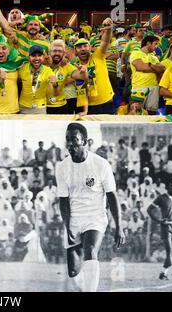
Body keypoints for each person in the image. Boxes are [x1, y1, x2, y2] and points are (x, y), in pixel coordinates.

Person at [56, 123, 125, 292]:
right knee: (73, 271)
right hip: (74, 218)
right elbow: (63, 200)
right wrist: (67, 226)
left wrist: (119, 227)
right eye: (67, 140)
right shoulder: (62, 167)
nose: (70, 144)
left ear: (85, 141)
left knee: (91, 250)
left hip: (95, 217)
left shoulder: (101, 164)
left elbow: (112, 196)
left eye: (74, 140)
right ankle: (83, 286)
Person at [72, 18, 115, 115]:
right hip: (89, 106)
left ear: (90, 48)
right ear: (75, 51)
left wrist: (108, 29)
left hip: (106, 101)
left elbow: (105, 42)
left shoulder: (98, 55)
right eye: (79, 47)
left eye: (85, 46)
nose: (82, 49)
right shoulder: (75, 66)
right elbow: (80, 88)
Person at [0, 34, 28, 114]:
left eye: (4, 48)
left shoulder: (16, 63)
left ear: (8, 50)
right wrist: (0, 80)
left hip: (13, 111)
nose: (0, 51)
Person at [47, 39, 88, 115]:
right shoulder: (43, 64)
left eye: (60, 51)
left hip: (61, 106)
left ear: (64, 53)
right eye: (54, 51)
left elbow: (83, 77)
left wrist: (83, 71)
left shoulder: (67, 66)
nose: (57, 53)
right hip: (43, 106)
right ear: (50, 52)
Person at [129, 34, 165, 114]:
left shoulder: (154, 57)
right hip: (139, 87)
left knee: (151, 114)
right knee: (136, 113)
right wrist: (155, 68)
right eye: (155, 44)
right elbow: (140, 67)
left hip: (154, 88)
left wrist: (149, 65)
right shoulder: (136, 53)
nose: (157, 47)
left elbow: (162, 69)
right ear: (148, 43)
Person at [17, 45, 57, 114]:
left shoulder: (48, 71)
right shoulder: (22, 69)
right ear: (29, 57)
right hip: (23, 107)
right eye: (33, 56)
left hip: (40, 108)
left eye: (39, 55)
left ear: (43, 57)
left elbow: (55, 92)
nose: (37, 58)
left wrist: (55, 84)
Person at [147, 190, 172, 280]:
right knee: (169, 251)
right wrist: (158, 220)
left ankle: (163, 273)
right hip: (165, 227)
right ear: (168, 187)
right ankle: (169, 269)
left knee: (169, 252)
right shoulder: (161, 197)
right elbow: (149, 209)